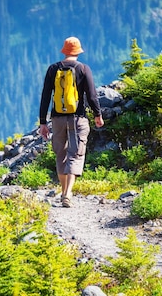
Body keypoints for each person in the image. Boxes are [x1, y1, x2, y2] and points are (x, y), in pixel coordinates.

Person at [39, 36, 104, 207]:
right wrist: (98, 114)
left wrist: (43, 122)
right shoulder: (83, 69)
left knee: (61, 154)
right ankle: (68, 193)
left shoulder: (53, 69)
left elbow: (46, 96)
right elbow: (91, 95)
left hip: (57, 118)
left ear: (64, 50)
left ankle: (63, 191)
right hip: (78, 118)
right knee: (75, 154)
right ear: (78, 51)